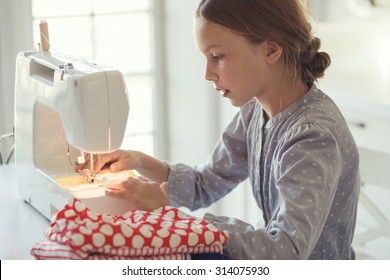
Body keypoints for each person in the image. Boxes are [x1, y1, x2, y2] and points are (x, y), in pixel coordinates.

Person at [77, 0, 360, 259]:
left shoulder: (311, 136)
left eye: (218, 56)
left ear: (271, 50)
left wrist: (171, 215)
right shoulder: (255, 112)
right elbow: (206, 184)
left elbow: (285, 251)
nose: (208, 74)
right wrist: (138, 161)